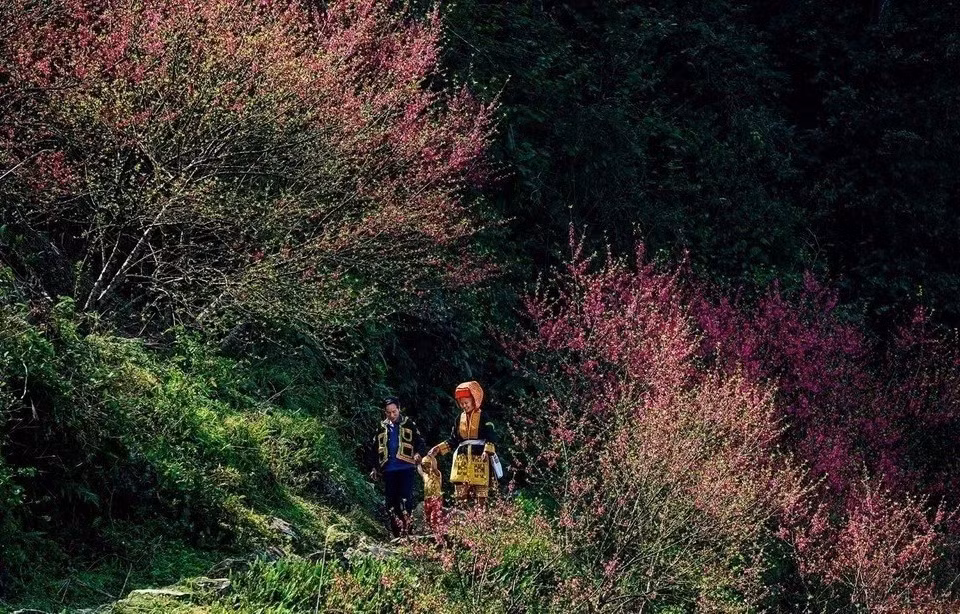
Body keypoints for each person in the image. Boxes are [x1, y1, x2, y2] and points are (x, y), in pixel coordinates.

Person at [427, 381, 497, 507]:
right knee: (460, 491)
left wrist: (487, 450)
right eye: (462, 403)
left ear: (474, 400)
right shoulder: (459, 419)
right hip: (462, 459)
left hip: (479, 457)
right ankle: (461, 515)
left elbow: (491, 435)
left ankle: (480, 517)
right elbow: (453, 440)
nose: (464, 406)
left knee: (480, 490)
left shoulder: (484, 417)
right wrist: (438, 448)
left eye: (466, 403)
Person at [369, 396, 425, 537]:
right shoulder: (381, 428)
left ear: (399, 409)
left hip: (406, 467)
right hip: (389, 470)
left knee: (406, 498)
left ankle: (408, 531)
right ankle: (397, 533)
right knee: (391, 501)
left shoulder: (408, 424)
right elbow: (374, 449)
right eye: (388, 412)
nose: (392, 415)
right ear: (384, 412)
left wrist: (418, 453)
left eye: (394, 411)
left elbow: (420, 442)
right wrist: (375, 467)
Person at [417, 454, 444, 534]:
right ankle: (431, 531)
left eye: (428, 466)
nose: (426, 468)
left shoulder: (436, 473)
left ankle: (437, 531)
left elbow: (434, 467)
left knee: (435, 516)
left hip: (436, 498)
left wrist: (432, 457)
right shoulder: (425, 476)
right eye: (424, 467)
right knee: (427, 516)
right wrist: (418, 463)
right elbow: (420, 472)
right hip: (427, 499)